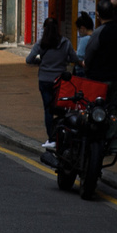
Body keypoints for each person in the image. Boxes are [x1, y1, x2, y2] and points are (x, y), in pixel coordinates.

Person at [27, 17, 72, 152]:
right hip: (60, 82)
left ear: (44, 29)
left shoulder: (41, 43)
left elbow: (29, 59)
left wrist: (40, 62)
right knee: (62, 109)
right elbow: (74, 58)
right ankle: (62, 136)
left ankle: (51, 138)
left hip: (45, 80)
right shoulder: (65, 43)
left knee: (48, 110)